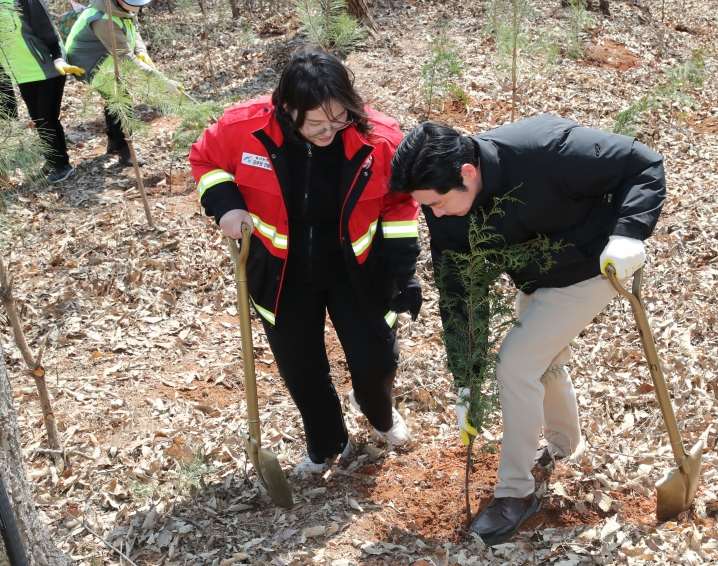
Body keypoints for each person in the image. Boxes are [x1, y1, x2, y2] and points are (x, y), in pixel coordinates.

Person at [390, 117, 665, 545]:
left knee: (516, 364)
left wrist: (629, 233)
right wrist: (466, 382)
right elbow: (459, 291)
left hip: (593, 266)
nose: (434, 214)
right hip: (536, 275)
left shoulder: (547, 149)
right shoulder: (444, 204)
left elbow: (643, 163)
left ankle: (514, 493)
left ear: (468, 173)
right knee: (543, 356)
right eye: (426, 206)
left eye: (439, 203)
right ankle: (563, 442)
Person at [190, 48, 422, 474]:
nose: (329, 131)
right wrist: (225, 204)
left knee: (377, 361)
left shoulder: (380, 139)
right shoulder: (243, 128)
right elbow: (205, 160)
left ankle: (379, 412)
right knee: (302, 369)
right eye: (316, 123)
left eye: (339, 120)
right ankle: (327, 444)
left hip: (358, 270)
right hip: (281, 273)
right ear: (285, 108)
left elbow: (400, 203)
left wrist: (404, 271)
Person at [65, 0, 179, 166]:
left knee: (114, 99)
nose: (139, 7)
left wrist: (141, 51)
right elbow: (126, 58)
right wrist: (162, 81)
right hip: (91, 64)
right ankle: (126, 151)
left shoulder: (120, 9)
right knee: (121, 100)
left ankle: (114, 143)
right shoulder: (104, 20)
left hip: (106, 56)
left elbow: (134, 30)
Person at [0, 0, 83, 183]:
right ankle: (52, 159)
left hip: (48, 66)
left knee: (47, 117)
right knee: (38, 118)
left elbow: (45, 26)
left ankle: (62, 165)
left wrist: (58, 58)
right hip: (23, 73)